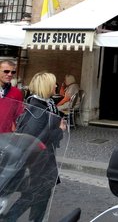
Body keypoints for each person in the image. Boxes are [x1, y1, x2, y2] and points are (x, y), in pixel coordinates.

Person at [6, 71, 67, 222]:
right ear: (46, 86)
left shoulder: (46, 104)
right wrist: (60, 130)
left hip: (43, 159)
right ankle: (9, 218)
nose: (56, 85)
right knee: (34, 194)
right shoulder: (36, 108)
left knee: (42, 193)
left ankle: (34, 220)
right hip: (38, 161)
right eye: (54, 83)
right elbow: (36, 140)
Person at [0, 60, 23, 133]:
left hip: (6, 137)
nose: (10, 74)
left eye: (12, 72)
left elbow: (18, 115)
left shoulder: (17, 92)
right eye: (6, 71)